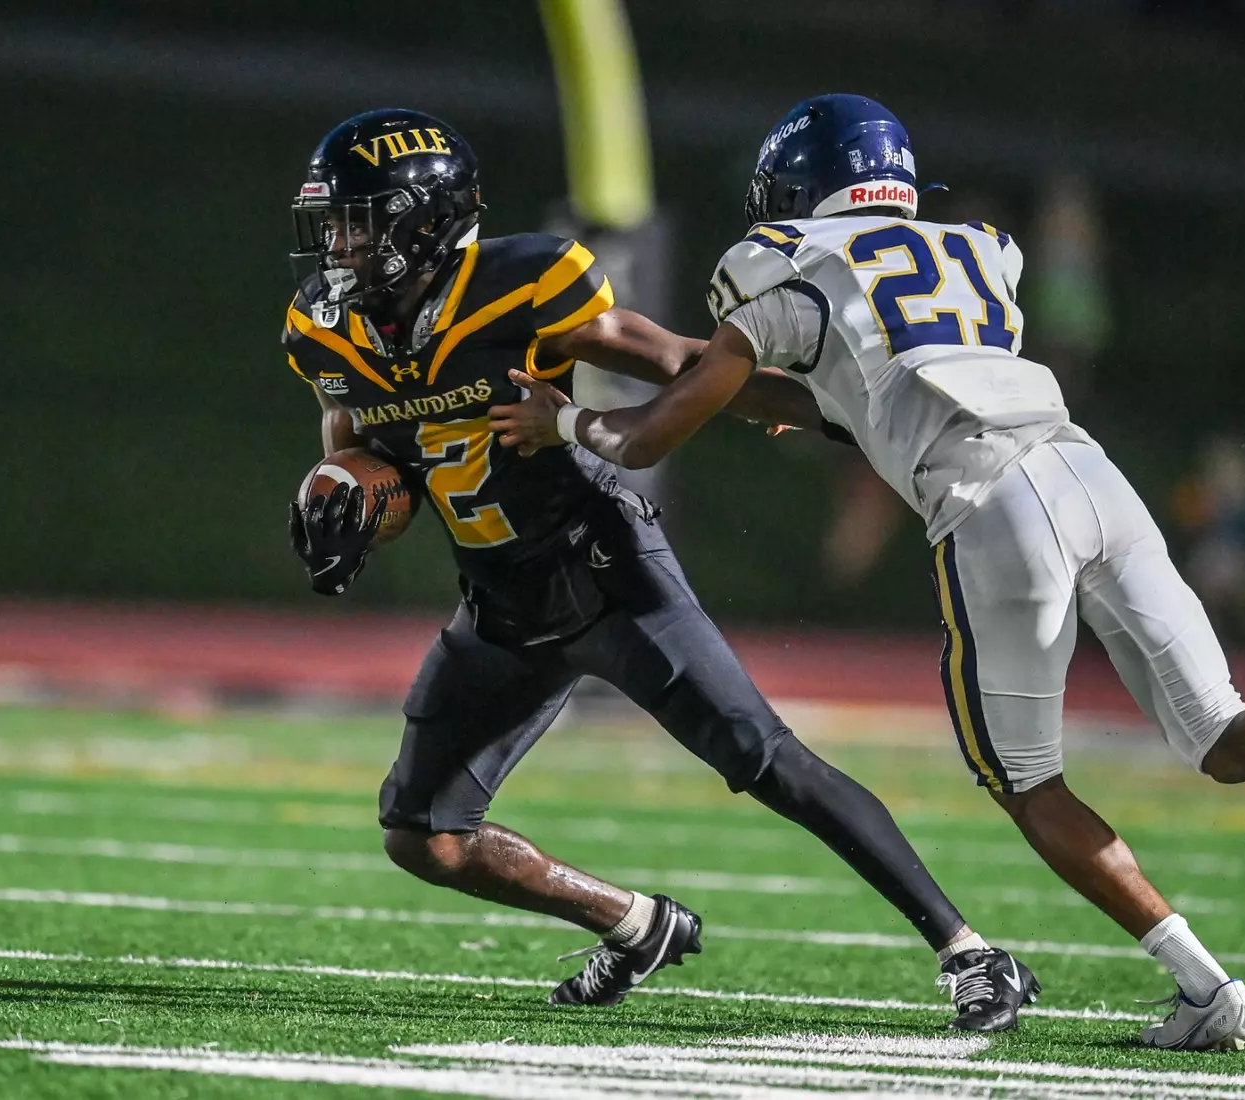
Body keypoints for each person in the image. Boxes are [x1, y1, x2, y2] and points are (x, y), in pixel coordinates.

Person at [489, 94, 1245, 1052]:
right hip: (1088, 471)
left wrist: (564, 418)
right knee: (1217, 734)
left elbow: (648, 435)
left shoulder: (778, 260)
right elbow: (872, 394)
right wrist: (782, 398)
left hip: (991, 504)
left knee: (1025, 781)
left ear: (802, 188)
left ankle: (1205, 988)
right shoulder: (977, 249)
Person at [280, 108, 1037, 1031]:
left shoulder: (517, 285)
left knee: (768, 762)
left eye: (358, 221)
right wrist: (342, 501)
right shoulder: (325, 330)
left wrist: (844, 418)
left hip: (605, 572)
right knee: (423, 839)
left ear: (423, 220)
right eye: (333, 223)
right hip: (502, 605)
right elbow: (365, 460)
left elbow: (679, 359)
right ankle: (634, 925)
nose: (339, 244)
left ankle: (972, 951)